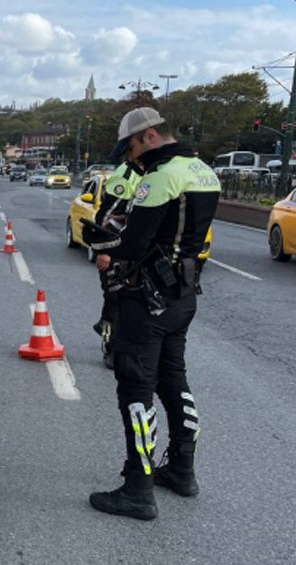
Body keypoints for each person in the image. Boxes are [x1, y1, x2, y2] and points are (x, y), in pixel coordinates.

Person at [87, 108, 219, 520]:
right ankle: (182, 469)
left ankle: (137, 488)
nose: (131, 159)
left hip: (147, 299)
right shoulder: (202, 171)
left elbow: (135, 242)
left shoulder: (161, 176)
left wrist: (102, 243)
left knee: (135, 389)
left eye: (131, 149)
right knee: (173, 380)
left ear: (147, 137)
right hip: (183, 295)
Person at [88, 161, 142, 369]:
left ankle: (116, 334)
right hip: (116, 249)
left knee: (133, 301)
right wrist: (104, 250)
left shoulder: (154, 172)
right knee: (115, 299)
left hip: (137, 250)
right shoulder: (126, 175)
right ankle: (110, 348)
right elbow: (106, 215)